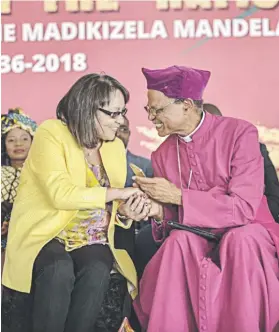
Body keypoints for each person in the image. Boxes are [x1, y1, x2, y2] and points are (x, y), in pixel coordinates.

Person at [133, 65, 279, 332]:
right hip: (197, 235)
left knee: (240, 240)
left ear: (187, 105)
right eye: (149, 110)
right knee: (179, 240)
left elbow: (244, 208)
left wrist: (178, 196)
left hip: (249, 231)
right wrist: (155, 212)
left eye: (158, 110)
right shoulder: (162, 154)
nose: (152, 117)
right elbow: (175, 219)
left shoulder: (239, 133)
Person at [2, 73, 151, 332]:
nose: (121, 121)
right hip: (48, 231)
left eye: (122, 112)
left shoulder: (114, 146)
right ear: (88, 108)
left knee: (97, 268)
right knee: (57, 269)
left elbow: (111, 206)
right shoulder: (51, 132)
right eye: (113, 113)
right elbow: (60, 193)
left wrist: (127, 211)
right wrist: (118, 193)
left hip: (91, 235)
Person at [204, 103, 279, 223]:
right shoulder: (187, 154)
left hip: (255, 220)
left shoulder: (255, 148)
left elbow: (274, 195)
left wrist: (253, 215)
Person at [1, 108, 37, 272]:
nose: (18, 144)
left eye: (24, 139)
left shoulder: (39, 174)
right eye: (11, 140)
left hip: (25, 232)